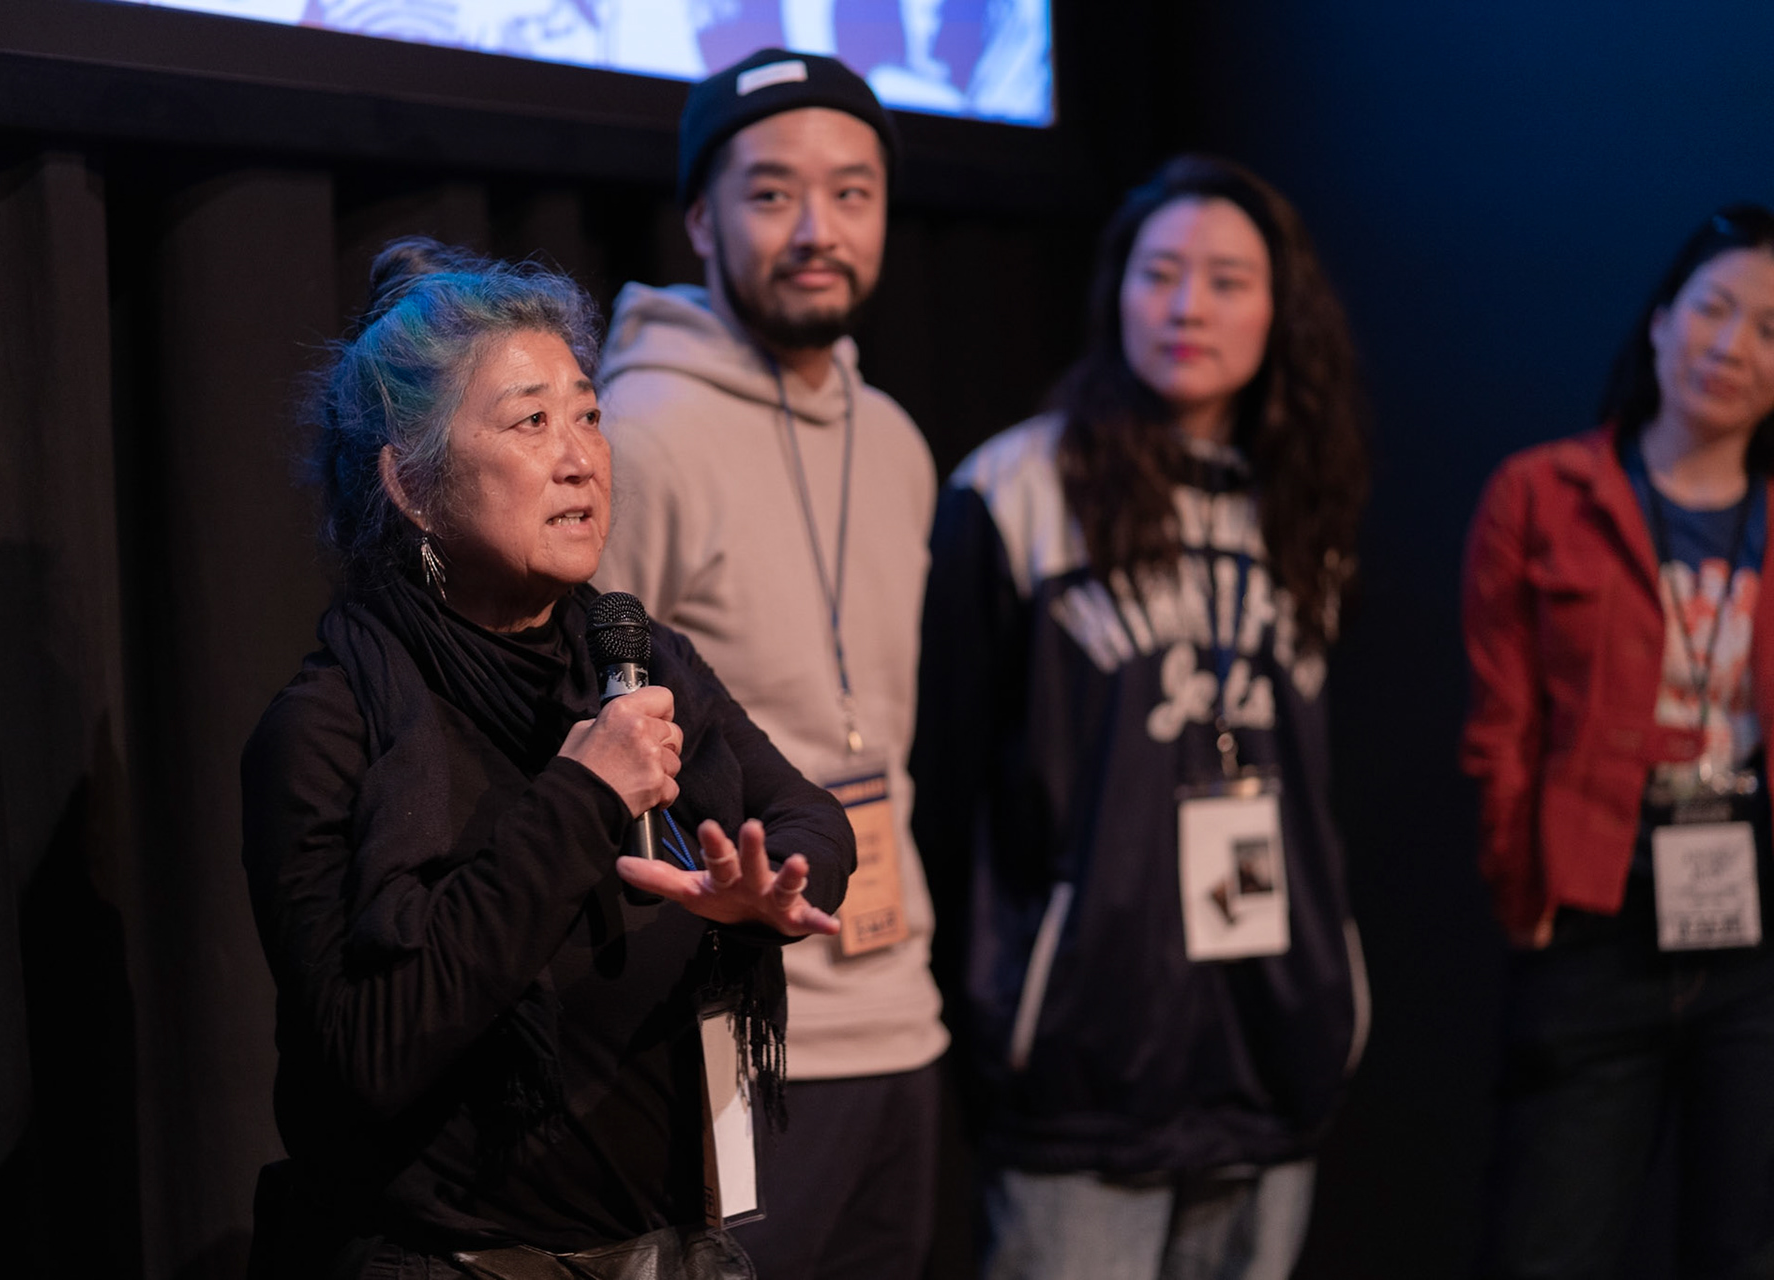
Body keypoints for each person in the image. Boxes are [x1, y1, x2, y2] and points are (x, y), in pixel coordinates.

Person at [239, 237, 855, 1278]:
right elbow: (370, 1048)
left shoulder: (640, 659)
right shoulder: (329, 728)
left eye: (589, 416)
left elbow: (810, 821)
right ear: (412, 483)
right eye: (532, 422)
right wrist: (582, 793)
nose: (582, 458)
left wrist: (764, 894)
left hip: (667, 1252)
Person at [910, 154, 1370, 1280]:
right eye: (1160, 273)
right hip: (1083, 1067)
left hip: (1270, 1050)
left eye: (1226, 280)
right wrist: (999, 1015)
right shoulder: (1014, 490)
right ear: (1116, 291)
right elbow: (951, 779)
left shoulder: (1304, 504)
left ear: (1279, 308)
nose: (1187, 306)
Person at [592, 48, 948, 1280]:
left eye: (851, 193)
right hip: (738, 1034)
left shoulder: (896, 439)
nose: (816, 229)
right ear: (701, 218)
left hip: (902, 1017)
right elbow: (578, 741)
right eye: (771, 193)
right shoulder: (642, 434)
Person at [1462, 206, 1774, 1278]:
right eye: (1714, 309)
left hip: (1759, 949)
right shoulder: (1542, 493)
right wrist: (1522, 882)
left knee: (1744, 1250)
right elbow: (1501, 722)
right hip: (1594, 929)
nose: (1732, 346)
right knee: (1545, 1248)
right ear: (1661, 318)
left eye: (1770, 329)